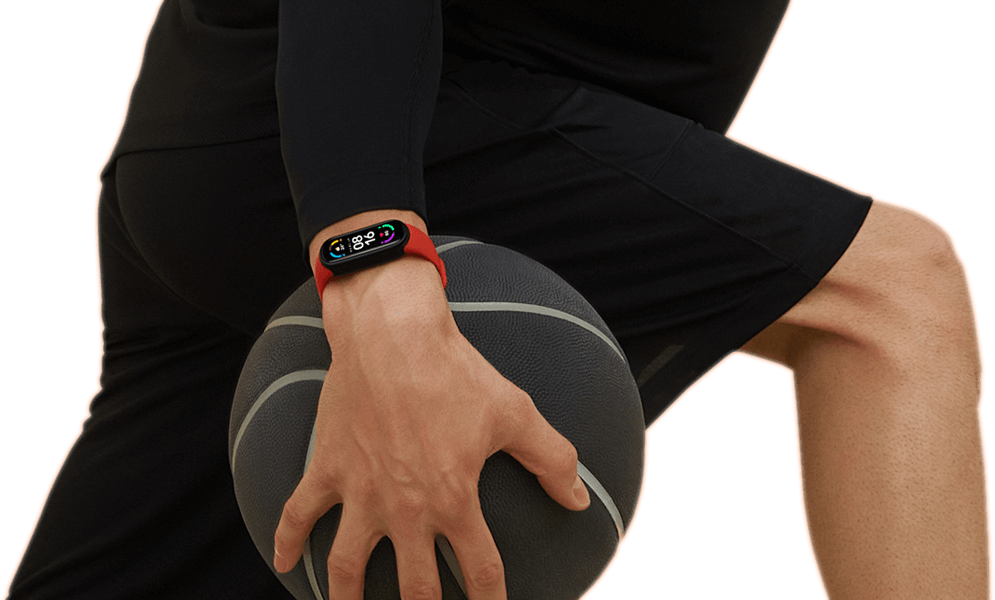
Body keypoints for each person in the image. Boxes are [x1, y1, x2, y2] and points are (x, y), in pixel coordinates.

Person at [6, 1, 989, 599]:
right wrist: (371, 251)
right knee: (891, 297)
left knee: (166, 561)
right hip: (371, 131)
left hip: (234, 137)